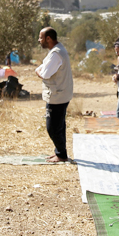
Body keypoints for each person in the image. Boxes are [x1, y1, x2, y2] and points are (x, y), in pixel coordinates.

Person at [36, 27, 73, 162]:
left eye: (40, 37)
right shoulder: (56, 51)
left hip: (57, 95)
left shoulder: (56, 53)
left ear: (48, 38)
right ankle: (60, 152)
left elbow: (45, 73)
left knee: (52, 127)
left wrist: (37, 72)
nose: (39, 40)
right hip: (60, 94)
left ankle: (61, 154)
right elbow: (45, 66)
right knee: (59, 125)